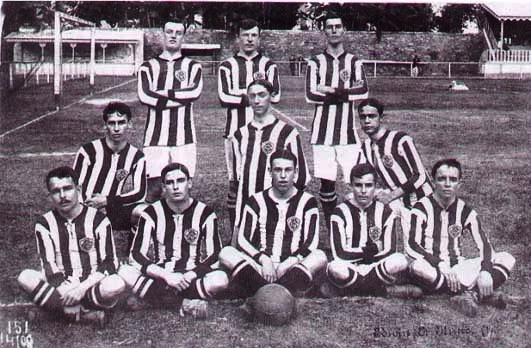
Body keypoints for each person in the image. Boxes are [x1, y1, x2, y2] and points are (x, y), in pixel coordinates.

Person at [407, 159, 515, 317]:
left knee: (507, 258)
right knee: (418, 267)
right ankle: (478, 294)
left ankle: (470, 295)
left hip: (457, 268)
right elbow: (412, 245)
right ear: (434, 182)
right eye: (442, 179)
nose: (447, 184)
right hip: (432, 267)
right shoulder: (421, 208)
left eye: (453, 179)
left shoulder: (465, 210)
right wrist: (440, 264)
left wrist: (485, 271)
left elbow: (484, 245)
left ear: (459, 184)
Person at [17, 167, 125, 325]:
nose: (62, 196)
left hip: (91, 285)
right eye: (56, 191)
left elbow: (109, 262)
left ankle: (55, 312)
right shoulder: (44, 223)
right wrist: (65, 290)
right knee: (25, 277)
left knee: (116, 284)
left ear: (78, 189)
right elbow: (48, 264)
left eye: (67, 189)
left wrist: (80, 290)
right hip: (61, 286)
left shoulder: (98, 219)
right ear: (50, 196)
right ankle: (84, 315)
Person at [118, 163, 228, 317]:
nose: (176, 187)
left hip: (191, 277)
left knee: (220, 280)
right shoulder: (151, 213)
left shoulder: (205, 213)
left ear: (189, 183)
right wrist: (166, 276)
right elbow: (136, 254)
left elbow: (214, 254)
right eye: (170, 183)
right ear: (163, 187)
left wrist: (192, 274)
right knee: (124, 271)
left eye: (180, 181)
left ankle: (153, 298)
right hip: (163, 276)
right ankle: (186, 303)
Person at [219, 150, 327, 297]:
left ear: (295, 172)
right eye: (278, 170)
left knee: (320, 256)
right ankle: (281, 292)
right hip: (262, 268)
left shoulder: (308, 201)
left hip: (292, 267)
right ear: (270, 171)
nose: (283, 175)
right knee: (226, 253)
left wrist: (289, 262)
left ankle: (260, 292)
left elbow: (311, 242)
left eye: (288, 170)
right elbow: (243, 239)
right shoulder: (256, 200)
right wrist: (264, 260)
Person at [305, 12, 369, 227]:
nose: (333, 30)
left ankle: (357, 227)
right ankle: (334, 230)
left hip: (348, 134)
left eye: (337, 26)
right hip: (322, 134)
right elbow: (310, 95)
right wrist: (345, 91)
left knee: (357, 182)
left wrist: (329, 90)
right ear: (324, 31)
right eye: (329, 27)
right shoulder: (315, 62)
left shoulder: (354, 61)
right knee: (327, 184)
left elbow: (363, 91)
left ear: (344, 30)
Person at [218, 19, 281, 228]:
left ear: (259, 38)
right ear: (238, 37)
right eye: (245, 35)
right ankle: (236, 232)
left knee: (266, 180)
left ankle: (265, 230)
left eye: (254, 35)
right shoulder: (227, 65)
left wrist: (241, 93)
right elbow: (223, 97)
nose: (249, 39)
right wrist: (257, 94)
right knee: (235, 183)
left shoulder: (269, 65)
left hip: (265, 134)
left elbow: (277, 95)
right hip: (234, 133)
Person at [230, 79, 309, 244]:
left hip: (278, 209)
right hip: (247, 208)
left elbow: (301, 177)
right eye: (252, 96)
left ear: (271, 97)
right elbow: (239, 179)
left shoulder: (288, 132)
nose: (257, 100)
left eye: (261, 95)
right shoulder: (239, 135)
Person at [323, 164, 418, 298]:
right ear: (351, 186)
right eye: (358, 185)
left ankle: (351, 289)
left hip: (375, 266)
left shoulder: (386, 211)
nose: (363, 191)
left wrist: (368, 257)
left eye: (368, 185)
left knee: (400, 259)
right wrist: (371, 250)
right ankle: (380, 290)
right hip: (350, 266)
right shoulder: (339, 212)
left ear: (375, 187)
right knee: (335, 267)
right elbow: (339, 253)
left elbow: (390, 250)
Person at [138, 18, 203, 202]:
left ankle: (180, 228)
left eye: (178, 32)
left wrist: (162, 94)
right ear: (163, 34)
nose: (173, 36)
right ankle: (147, 228)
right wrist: (180, 97)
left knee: (182, 189)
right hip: (155, 138)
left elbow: (194, 92)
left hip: (185, 138)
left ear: (183, 36)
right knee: (154, 190)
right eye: (169, 32)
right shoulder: (148, 67)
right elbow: (144, 96)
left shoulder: (193, 66)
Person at [73, 102, 146, 252]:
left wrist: (107, 201)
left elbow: (140, 193)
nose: (117, 128)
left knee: (143, 212)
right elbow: (74, 186)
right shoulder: (88, 151)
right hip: (86, 208)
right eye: (112, 123)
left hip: (112, 209)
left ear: (130, 124)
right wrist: (87, 208)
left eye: (121, 123)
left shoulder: (137, 156)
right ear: (105, 125)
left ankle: (133, 258)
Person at [357, 97, 432, 235]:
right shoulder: (366, 146)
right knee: (360, 205)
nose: (367, 121)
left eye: (372, 116)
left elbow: (420, 176)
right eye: (363, 117)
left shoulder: (400, 140)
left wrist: (390, 196)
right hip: (399, 200)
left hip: (422, 201)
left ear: (381, 118)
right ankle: (375, 249)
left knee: (417, 251)